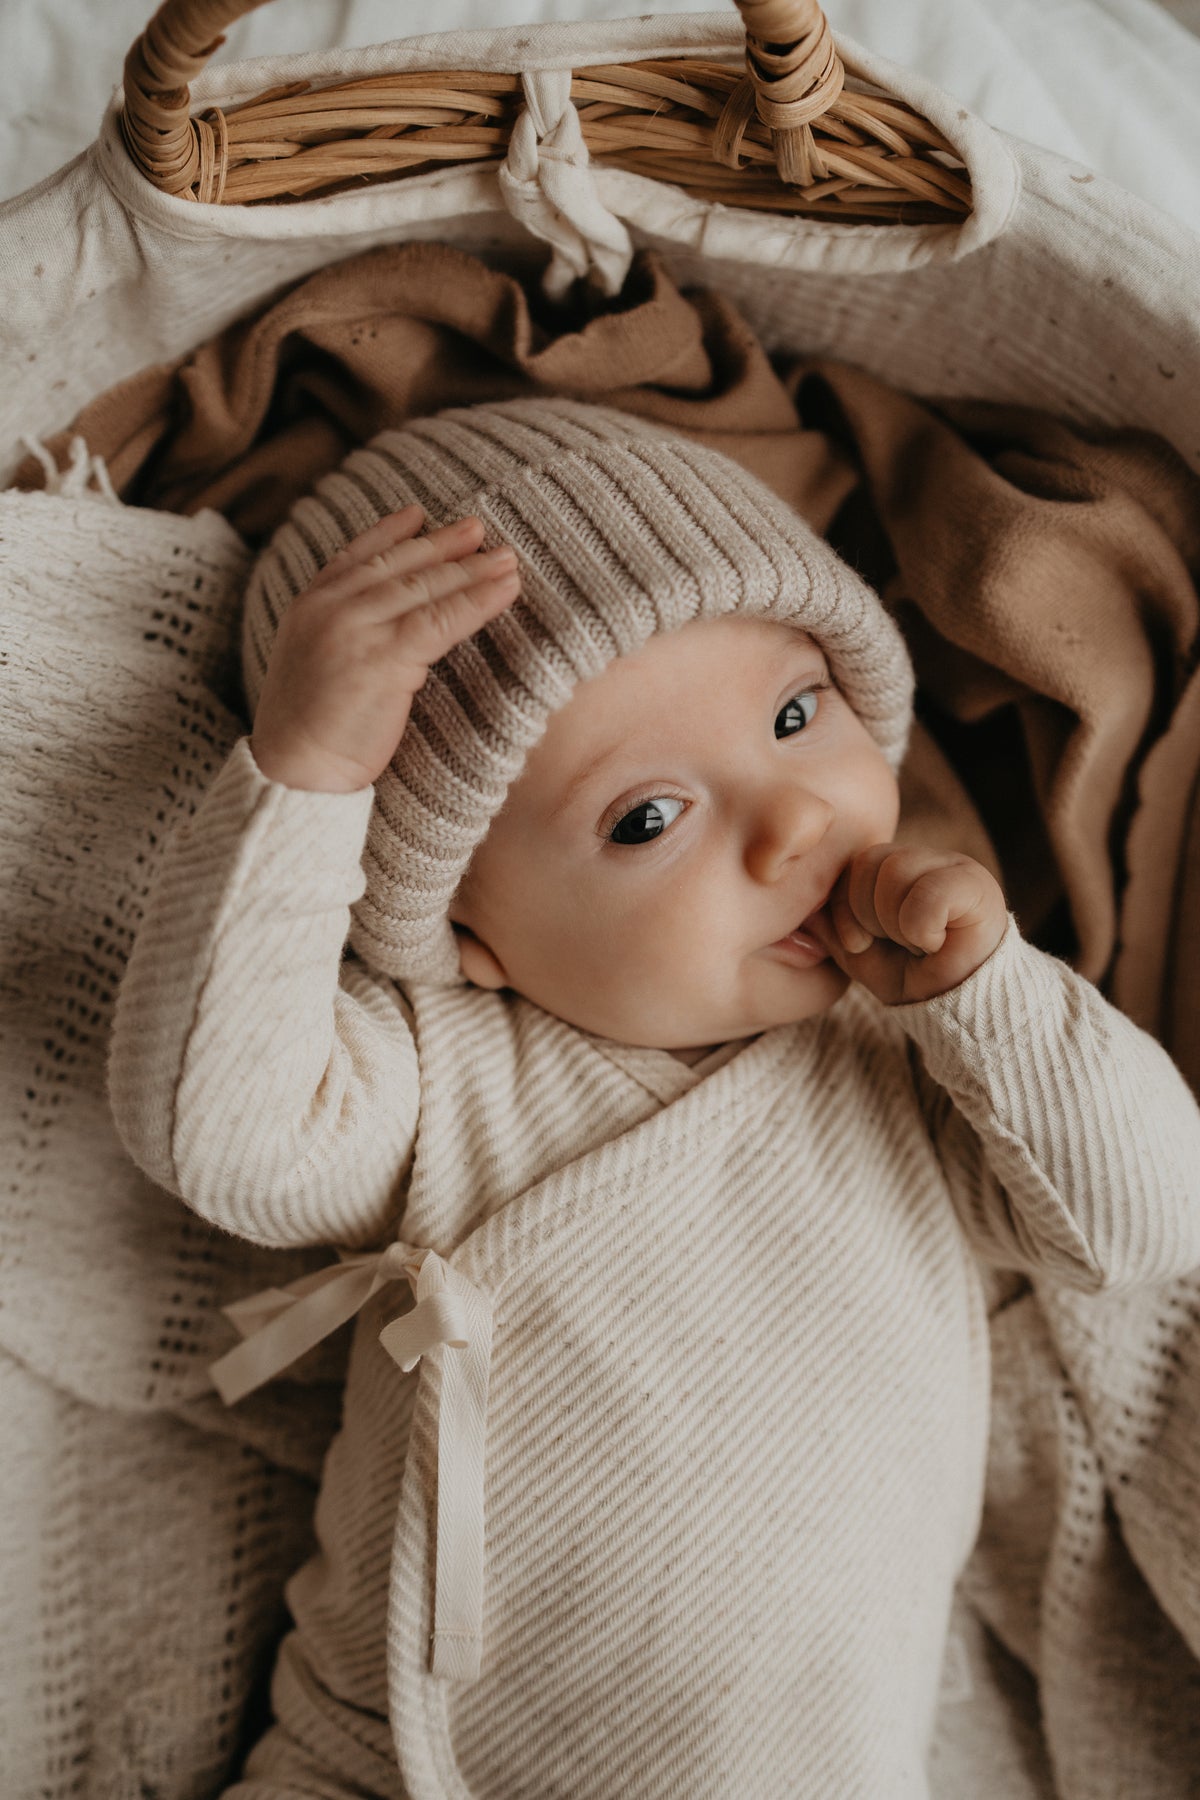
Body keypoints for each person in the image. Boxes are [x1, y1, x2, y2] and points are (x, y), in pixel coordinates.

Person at [108, 398, 1200, 1799]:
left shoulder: (913, 1056)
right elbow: (218, 1131)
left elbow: (1148, 1221)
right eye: (646, 819)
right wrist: (307, 779)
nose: (795, 821)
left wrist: (995, 995)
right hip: (391, 1760)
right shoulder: (451, 1071)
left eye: (798, 716)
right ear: (473, 939)